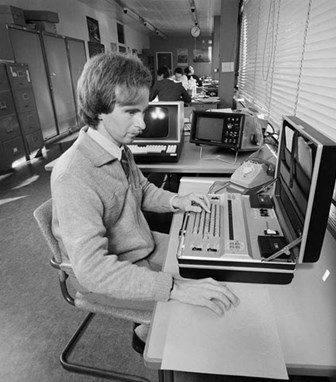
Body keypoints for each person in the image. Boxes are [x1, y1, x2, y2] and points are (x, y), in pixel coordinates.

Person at [51, 52, 239, 353]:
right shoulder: (73, 175)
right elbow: (94, 270)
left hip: (141, 244)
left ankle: (149, 325)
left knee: (217, 267)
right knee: (205, 303)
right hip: (111, 270)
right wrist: (175, 288)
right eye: (130, 112)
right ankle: (146, 336)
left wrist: (179, 200)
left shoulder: (117, 146)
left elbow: (142, 189)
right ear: (99, 110)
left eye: (144, 111)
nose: (142, 123)